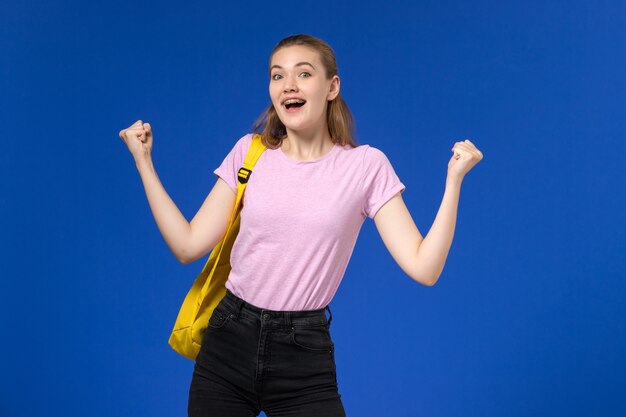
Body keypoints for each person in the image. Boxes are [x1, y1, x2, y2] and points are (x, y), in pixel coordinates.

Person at [118, 33, 483, 417]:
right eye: (278, 76)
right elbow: (187, 244)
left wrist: (454, 180)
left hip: (303, 353)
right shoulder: (250, 152)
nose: (289, 85)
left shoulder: (365, 166)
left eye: (304, 73)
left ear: (332, 86)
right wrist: (144, 162)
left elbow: (425, 268)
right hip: (228, 340)